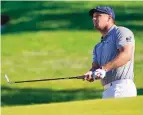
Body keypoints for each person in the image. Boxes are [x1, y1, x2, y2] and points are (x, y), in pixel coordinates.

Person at [84, 6, 137, 99]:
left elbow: (126, 55)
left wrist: (104, 69)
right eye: (93, 17)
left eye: (98, 16)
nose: (94, 18)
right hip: (107, 90)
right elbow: (95, 67)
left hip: (122, 87)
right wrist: (90, 73)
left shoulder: (121, 32)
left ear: (109, 18)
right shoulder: (98, 47)